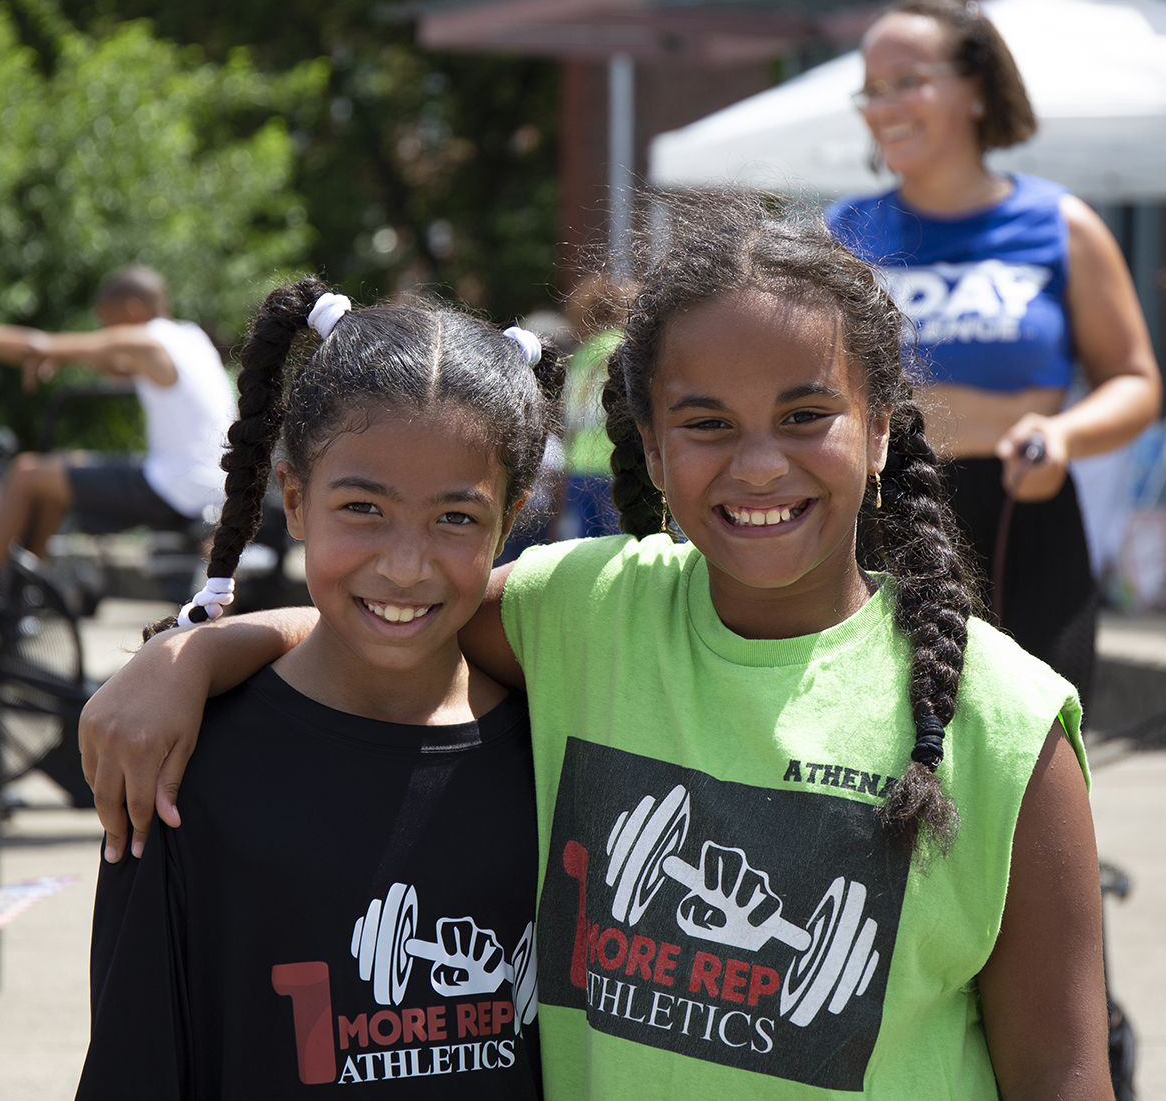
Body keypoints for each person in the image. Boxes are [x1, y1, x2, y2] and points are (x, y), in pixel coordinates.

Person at [83, 204, 1111, 1100]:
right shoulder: (583, 612)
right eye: (704, 423)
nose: (758, 462)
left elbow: (1060, 1075)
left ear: (882, 427)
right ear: (652, 448)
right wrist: (190, 655)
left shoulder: (1001, 720)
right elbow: (398, 612)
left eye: (805, 415)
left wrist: (195, 652)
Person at [77, 282, 561, 1098]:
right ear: (294, 498)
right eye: (363, 507)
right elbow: (137, 1060)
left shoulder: (559, 749)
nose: (405, 564)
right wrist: (190, 654)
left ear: (508, 521)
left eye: (456, 518)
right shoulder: (182, 770)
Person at [827, 0, 1160, 698]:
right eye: (871, 89)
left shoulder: (1061, 223)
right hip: (880, 515)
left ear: (976, 86)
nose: (883, 105)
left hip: (1025, 511)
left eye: (908, 81)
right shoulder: (841, 235)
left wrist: (1062, 434)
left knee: (1034, 754)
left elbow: (1135, 381)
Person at [0, 265, 237, 659]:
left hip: (176, 487)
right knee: (62, 467)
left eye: (106, 322)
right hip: (207, 483)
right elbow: (108, 365)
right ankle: (23, 596)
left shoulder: (144, 339)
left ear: (130, 311)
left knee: (24, 473)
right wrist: (61, 358)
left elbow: (35, 345)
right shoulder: (189, 337)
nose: (104, 331)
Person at [556, 274, 631, 541]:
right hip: (619, 464)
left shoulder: (583, 353)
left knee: (582, 550)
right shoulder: (628, 347)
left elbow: (571, 418)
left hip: (579, 467)